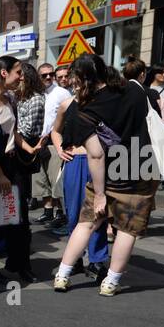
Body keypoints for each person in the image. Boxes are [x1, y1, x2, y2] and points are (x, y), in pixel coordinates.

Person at [52, 52, 156, 296]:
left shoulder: (83, 110)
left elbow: (96, 154)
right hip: (140, 166)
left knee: (87, 222)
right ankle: (111, 281)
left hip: (108, 171)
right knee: (128, 228)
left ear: (82, 79)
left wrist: (100, 194)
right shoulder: (134, 90)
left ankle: (62, 275)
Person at [50, 89, 110, 280]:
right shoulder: (67, 105)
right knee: (74, 212)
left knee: (98, 211)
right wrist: (60, 150)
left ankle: (96, 261)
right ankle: (74, 258)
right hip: (75, 161)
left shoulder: (104, 103)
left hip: (100, 162)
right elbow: (55, 131)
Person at [0, 56, 36, 282]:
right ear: (3, 73)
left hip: (11, 165)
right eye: (18, 72)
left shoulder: (10, 98)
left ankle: (19, 263)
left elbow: (14, 133)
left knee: (17, 217)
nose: (21, 77)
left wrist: (30, 148)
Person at [36, 62, 71, 224]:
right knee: (42, 179)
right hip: (38, 141)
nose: (48, 77)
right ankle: (48, 210)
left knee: (56, 178)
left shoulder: (61, 93)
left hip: (54, 140)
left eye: (51, 74)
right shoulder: (37, 93)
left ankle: (60, 212)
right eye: (44, 75)